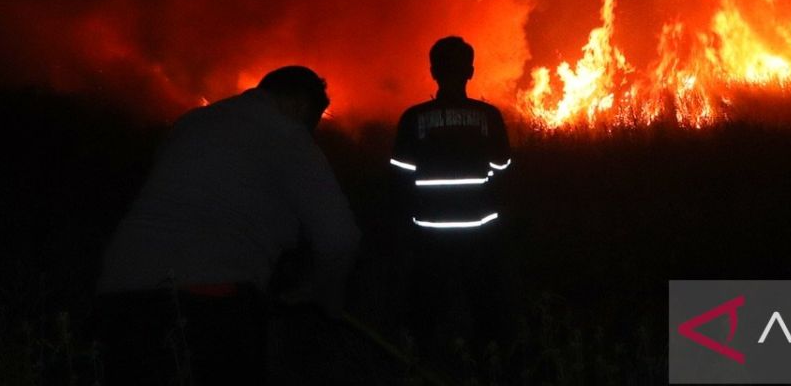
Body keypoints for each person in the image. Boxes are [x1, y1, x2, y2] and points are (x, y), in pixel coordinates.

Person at [95, 66, 360, 385]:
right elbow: (339, 238)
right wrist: (324, 292)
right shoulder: (289, 135)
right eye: (312, 122)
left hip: (119, 291)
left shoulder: (192, 121)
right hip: (210, 297)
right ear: (301, 106)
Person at [391, 36, 513, 358]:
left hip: (430, 228)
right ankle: (489, 363)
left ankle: (418, 362)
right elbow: (503, 166)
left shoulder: (413, 118)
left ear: (433, 71)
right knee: (484, 300)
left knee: (426, 301)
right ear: (470, 72)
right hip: (480, 227)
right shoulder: (488, 117)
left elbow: (401, 175)